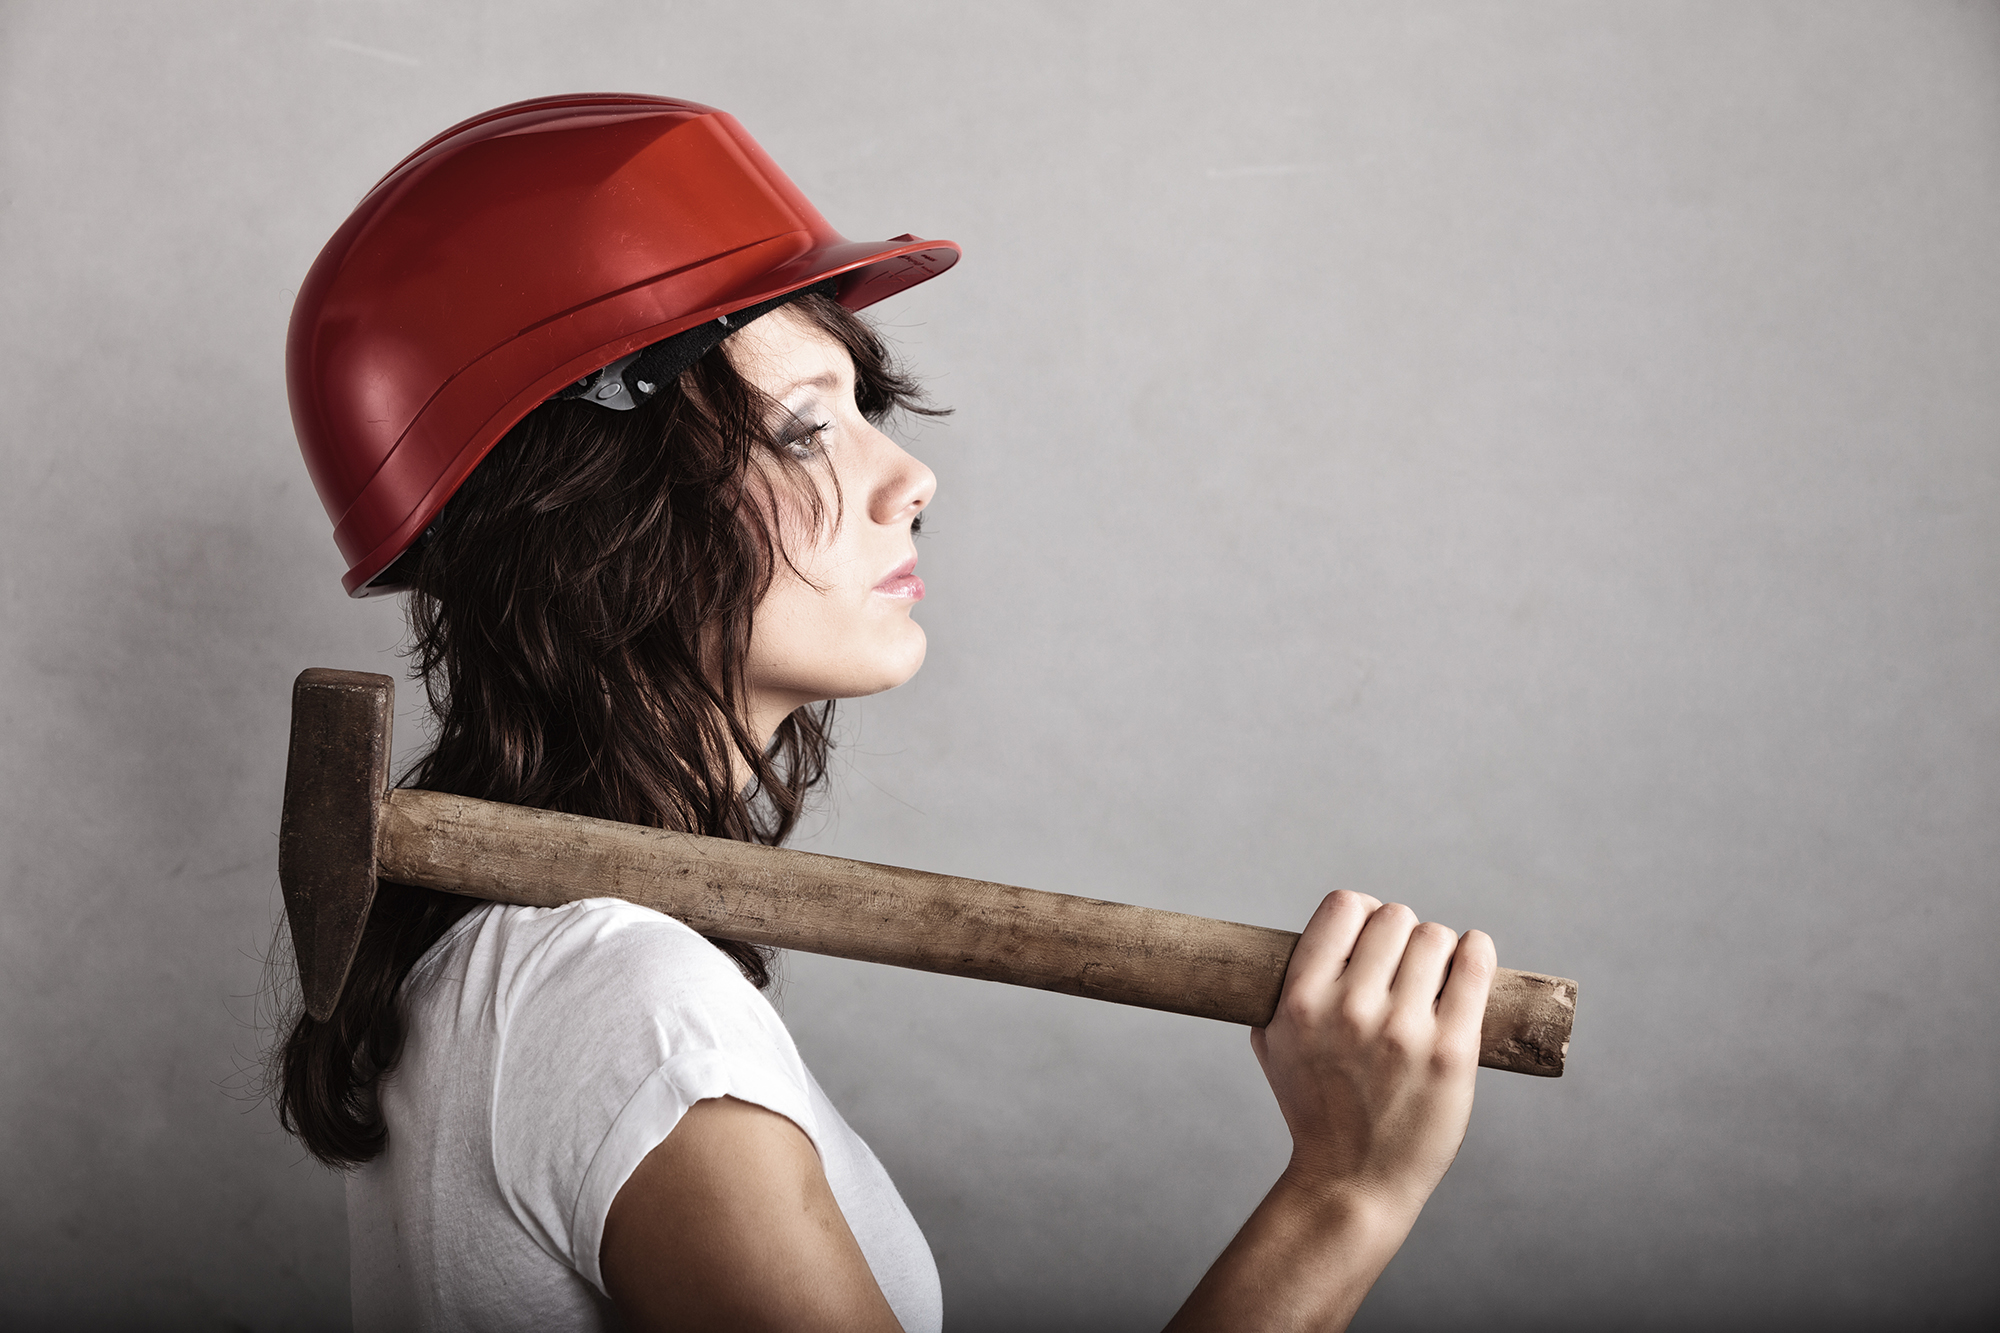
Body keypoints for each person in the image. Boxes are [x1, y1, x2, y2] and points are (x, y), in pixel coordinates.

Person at [275, 94, 1498, 1332]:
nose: (910, 478)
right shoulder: (628, 1008)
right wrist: (1345, 1194)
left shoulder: (515, 969)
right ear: (591, 522)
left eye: (865, 409)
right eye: (805, 429)